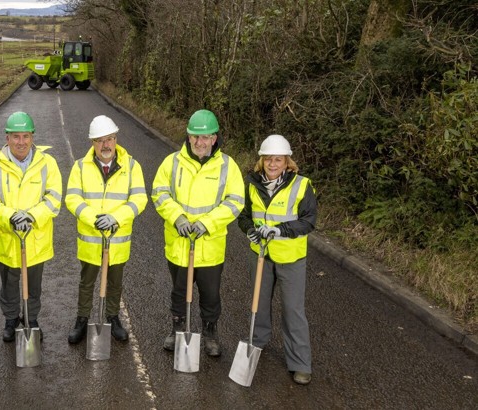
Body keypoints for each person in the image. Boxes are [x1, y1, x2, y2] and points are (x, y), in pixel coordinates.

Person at [151, 109, 245, 357]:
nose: (200, 143)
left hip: (210, 246)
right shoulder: (172, 162)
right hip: (179, 244)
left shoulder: (228, 166)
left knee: (210, 296)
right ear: (188, 137)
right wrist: (177, 217)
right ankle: (178, 330)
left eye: (206, 138)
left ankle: (210, 333)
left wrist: (208, 223)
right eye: (195, 137)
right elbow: (159, 194)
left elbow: (235, 201)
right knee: (179, 292)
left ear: (214, 139)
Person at [237, 134, 317, 385]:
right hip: (260, 254)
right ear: (262, 161)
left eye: (278, 159)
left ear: (287, 162)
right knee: (258, 306)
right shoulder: (250, 184)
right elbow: (243, 215)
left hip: (290, 257)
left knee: (293, 310)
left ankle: (300, 363)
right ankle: (257, 345)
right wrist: (249, 229)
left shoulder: (303, 185)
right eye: (268, 159)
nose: (273, 164)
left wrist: (280, 231)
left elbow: (308, 221)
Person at [0, 111, 62, 342]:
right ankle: (11, 318)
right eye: (16, 137)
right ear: (7, 138)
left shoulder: (48, 163)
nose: (21, 142)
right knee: (9, 285)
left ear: (33, 137)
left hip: (36, 238)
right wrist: (10, 216)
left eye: (25, 136)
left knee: (34, 286)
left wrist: (31, 217)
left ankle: (31, 319)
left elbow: (54, 198)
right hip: (7, 237)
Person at [65, 115, 148, 344]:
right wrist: (95, 219)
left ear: (116, 139)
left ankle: (112, 317)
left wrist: (116, 218)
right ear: (93, 143)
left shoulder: (132, 166)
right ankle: (82, 319)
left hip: (118, 238)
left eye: (109, 139)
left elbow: (140, 198)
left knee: (115, 282)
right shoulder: (80, 167)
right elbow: (72, 198)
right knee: (87, 282)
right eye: (100, 140)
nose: (106, 145)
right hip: (91, 238)